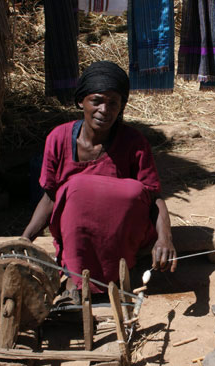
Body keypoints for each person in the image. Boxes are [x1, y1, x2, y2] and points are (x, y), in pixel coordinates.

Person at [22, 61, 177, 301]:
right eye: (96, 101)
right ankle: (76, 282)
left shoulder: (134, 143)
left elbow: (154, 198)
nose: (104, 110)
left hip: (123, 233)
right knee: (75, 190)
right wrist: (25, 239)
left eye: (113, 103)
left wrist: (165, 238)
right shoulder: (58, 138)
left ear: (122, 106)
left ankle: (115, 276)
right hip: (76, 233)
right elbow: (50, 196)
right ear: (81, 101)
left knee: (130, 192)